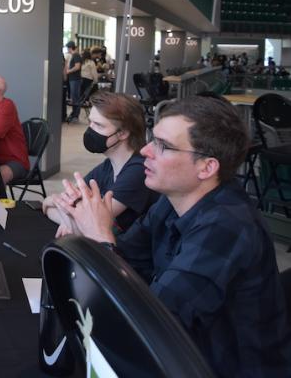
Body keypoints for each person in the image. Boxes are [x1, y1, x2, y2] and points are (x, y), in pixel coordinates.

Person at [52, 95, 291, 377]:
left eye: (163, 146)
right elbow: (129, 260)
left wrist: (101, 238)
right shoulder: (171, 201)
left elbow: (151, 328)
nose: (145, 152)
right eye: (153, 140)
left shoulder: (227, 227)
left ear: (207, 167)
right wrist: (85, 228)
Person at [43, 91, 158, 234]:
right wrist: (55, 202)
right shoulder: (109, 166)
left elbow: (88, 224)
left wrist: (51, 202)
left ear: (122, 133)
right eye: (90, 122)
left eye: (98, 125)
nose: (90, 130)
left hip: (122, 254)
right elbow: (71, 204)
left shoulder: (138, 170)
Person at [64, 41, 82, 123]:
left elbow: (77, 67)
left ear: (70, 48)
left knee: (75, 98)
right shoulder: (73, 55)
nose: (67, 49)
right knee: (74, 97)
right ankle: (74, 114)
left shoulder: (76, 55)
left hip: (75, 79)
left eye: (67, 48)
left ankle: (76, 115)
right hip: (73, 79)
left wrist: (68, 71)